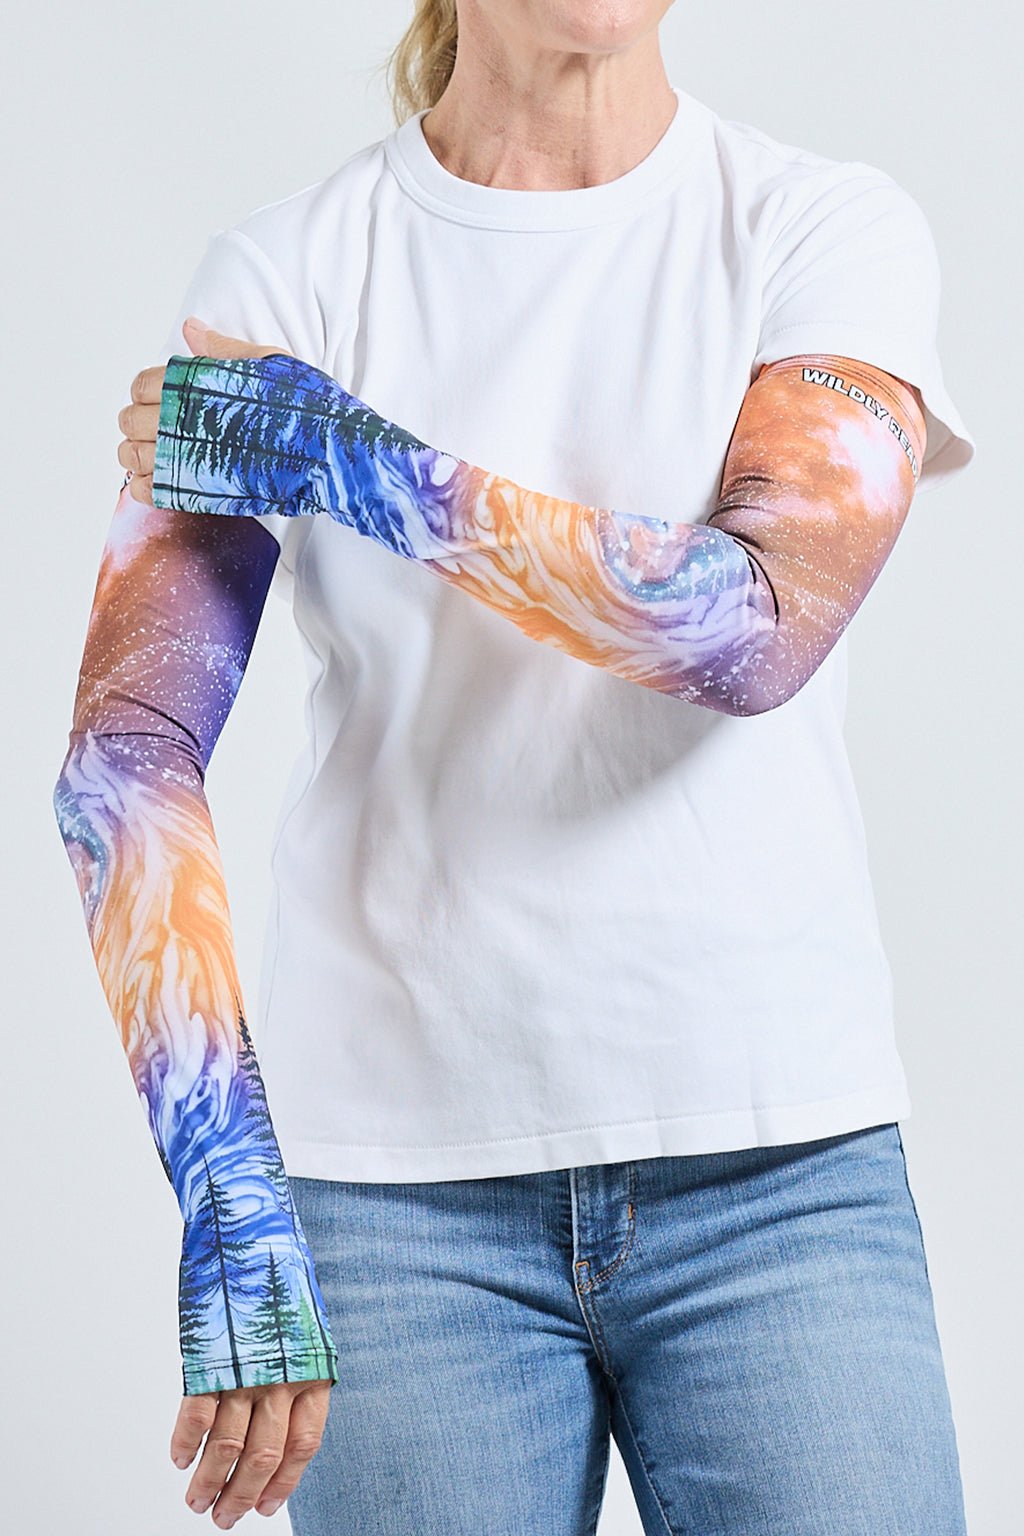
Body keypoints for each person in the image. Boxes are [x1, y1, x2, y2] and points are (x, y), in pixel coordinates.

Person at [53, 1, 977, 1531]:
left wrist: (347, 459)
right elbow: (127, 754)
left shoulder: (820, 228)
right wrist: (227, 1194)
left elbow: (753, 626)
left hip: (778, 1177)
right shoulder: (286, 275)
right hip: (390, 1206)